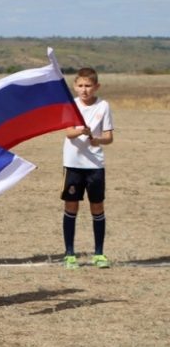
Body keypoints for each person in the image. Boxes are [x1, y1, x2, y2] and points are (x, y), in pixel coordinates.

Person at [61, 67, 114, 269]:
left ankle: (99, 253)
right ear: (75, 86)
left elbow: (109, 137)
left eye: (88, 86)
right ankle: (69, 254)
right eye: (81, 85)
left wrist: (97, 139)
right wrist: (80, 131)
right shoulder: (70, 106)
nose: (84, 90)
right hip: (73, 164)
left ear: (96, 86)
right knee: (71, 206)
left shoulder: (104, 106)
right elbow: (68, 132)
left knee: (97, 207)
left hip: (95, 165)